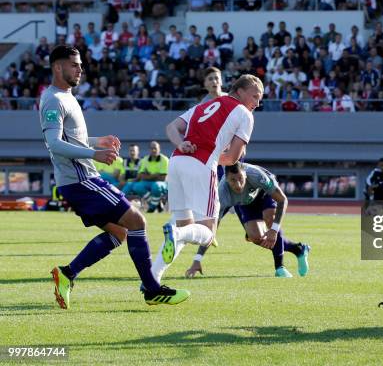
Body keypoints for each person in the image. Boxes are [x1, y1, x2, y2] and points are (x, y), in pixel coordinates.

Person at [40, 45, 189, 308]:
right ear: (57, 67)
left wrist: (98, 141)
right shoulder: (53, 99)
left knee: (120, 232)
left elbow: (70, 137)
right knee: (137, 220)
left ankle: (66, 273)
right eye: (74, 65)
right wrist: (93, 154)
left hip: (77, 180)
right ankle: (153, 289)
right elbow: (54, 143)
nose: (80, 69)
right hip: (81, 180)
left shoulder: (66, 96)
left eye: (80, 65)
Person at [159, 74, 264, 277]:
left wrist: (181, 144)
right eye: (255, 96)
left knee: (184, 223)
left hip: (176, 161)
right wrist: (215, 157)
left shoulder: (203, 106)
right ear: (240, 92)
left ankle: (152, 279)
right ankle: (175, 233)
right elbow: (233, 157)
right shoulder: (244, 114)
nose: (257, 103)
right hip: (202, 166)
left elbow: (171, 127)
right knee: (207, 232)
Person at [153, 162, 311, 280]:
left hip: (263, 194)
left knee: (270, 219)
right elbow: (210, 231)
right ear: (226, 180)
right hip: (244, 204)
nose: (238, 184)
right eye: (233, 181)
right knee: (256, 238)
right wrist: (197, 260)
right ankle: (298, 249)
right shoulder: (222, 194)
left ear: (245, 175)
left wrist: (274, 229)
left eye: (240, 179)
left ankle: (280, 268)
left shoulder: (257, 175)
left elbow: (283, 199)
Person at [126, 141, 169, 213]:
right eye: (152, 148)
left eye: (155, 148)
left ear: (159, 149)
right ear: (149, 149)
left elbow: (162, 178)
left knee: (156, 186)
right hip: (148, 182)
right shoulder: (145, 159)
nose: (153, 150)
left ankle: (152, 208)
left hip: (162, 183)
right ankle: (157, 204)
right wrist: (156, 174)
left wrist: (148, 175)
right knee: (136, 186)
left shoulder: (164, 159)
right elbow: (142, 176)